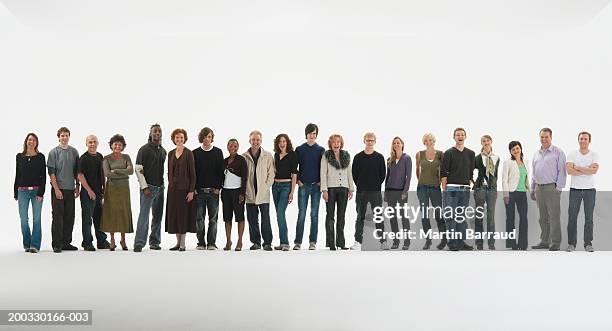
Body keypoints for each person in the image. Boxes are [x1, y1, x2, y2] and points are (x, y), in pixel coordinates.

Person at [530, 128, 566, 251]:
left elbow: (562, 171)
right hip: (539, 189)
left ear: (551, 137)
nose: (544, 139)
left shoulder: (558, 152)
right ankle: (545, 241)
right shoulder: (536, 153)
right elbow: (534, 173)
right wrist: (532, 188)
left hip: (552, 188)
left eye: (546, 137)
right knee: (542, 217)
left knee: (554, 216)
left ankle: (555, 242)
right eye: (542, 137)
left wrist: (559, 188)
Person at [133, 124, 167, 252]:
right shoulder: (144, 150)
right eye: (155, 131)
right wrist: (144, 187)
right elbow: (138, 169)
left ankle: (154, 242)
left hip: (160, 187)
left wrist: (162, 186)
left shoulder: (163, 151)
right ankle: (139, 243)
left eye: (159, 131)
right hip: (148, 188)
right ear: (150, 134)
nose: (157, 133)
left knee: (157, 216)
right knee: (144, 216)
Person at [441, 128, 475, 251]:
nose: (460, 136)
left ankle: (461, 242)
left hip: (465, 189)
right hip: (451, 188)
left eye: (462, 134)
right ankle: (452, 242)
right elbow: (443, 173)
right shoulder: (449, 153)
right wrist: (444, 190)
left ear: (465, 137)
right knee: (451, 215)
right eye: (457, 134)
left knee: (461, 216)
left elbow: (470, 172)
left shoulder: (471, 153)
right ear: (454, 137)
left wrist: (472, 184)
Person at [351, 132, 386, 250]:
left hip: (375, 192)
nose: (369, 142)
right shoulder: (358, 157)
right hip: (361, 192)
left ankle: (383, 241)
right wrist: (361, 185)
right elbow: (354, 175)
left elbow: (382, 175)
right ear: (364, 141)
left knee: (378, 216)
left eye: (372, 140)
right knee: (360, 216)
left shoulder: (379, 157)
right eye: (367, 140)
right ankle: (358, 242)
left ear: (375, 142)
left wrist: (375, 185)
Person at [47, 127, 80, 253]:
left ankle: (66, 243)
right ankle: (57, 244)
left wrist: (77, 187)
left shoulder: (74, 152)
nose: (64, 138)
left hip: (70, 189)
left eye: (66, 135)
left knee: (69, 217)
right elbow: (51, 173)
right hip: (58, 189)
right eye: (62, 136)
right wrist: (56, 189)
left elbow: (77, 172)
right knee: (57, 217)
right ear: (58, 137)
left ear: (69, 137)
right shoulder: (53, 152)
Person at [294, 123, 325, 250]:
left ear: (316, 135)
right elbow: (294, 167)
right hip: (303, 185)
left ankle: (313, 241)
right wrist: (298, 181)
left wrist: (321, 182)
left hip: (316, 186)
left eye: (314, 133)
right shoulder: (300, 149)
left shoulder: (321, 150)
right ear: (306, 134)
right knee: (301, 214)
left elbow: (324, 168)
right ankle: (298, 242)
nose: (312, 136)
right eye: (310, 133)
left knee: (314, 215)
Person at [566, 131, 598, 252]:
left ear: (589, 141)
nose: (583, 141)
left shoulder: (594, 155)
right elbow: (569, 171)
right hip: (575, 190)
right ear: (578, 140)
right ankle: (571, 244)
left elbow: (594, 171)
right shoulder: (572, 154)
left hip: (590, 190)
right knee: (572, 217)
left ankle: (588, 244)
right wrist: (587, 169)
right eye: (581, 139)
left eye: (585, 139)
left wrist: (578, 167)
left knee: (589, 218)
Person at [242, 130, 275, 251]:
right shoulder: (244, 157)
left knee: (265, 219)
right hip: (250, 192)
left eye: (257, 140)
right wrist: (245, 190)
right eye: (253, 140)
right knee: (252, 219)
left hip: (263, 193)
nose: (255, 142)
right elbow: (242, 176)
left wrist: (266, 187)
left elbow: (271, 174)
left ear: (261, 141)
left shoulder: (267, 155)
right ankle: (256, 242)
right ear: (249, 141)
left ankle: (267, 242)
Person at [100, 134, 134, 251]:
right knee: (112, 213)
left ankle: (123, 240)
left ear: (123, 146)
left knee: (123, 212)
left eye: (120, 144)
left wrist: (117, 170)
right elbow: (107, 174)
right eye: (115, 144)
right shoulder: (106, 158)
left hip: (124, 189)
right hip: (111, 189)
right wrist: (122, 173)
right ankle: (112, 239)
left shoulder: (126, 157)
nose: (117, 146)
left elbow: (131, 171)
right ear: (111, 145)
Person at [165, 129, 197, 251]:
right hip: (173, 189)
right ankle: (177, 242)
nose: (179, 139)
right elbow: (169, 171)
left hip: (185, 189)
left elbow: (193, 174)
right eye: (177, 137)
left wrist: (191, 191)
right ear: (174, 139)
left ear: (184, 139)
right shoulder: (170, 153)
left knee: (183, 215)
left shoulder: (189, 153)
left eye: (181, 137)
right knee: (174, 215)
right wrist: (170, 183)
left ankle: (183, 243)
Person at [320, 134, 354, 250]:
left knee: (341, 216)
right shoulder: (326, 155)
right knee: (330, 216)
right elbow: (323, 173)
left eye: (338, 142)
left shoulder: (346, 155)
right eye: (334, 142)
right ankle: (331, 243)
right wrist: (324, 190)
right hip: (331, 188)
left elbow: (349, 172)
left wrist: (351, 188)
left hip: (344, 188)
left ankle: (341, 242)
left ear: (341, 143)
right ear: (330, 144)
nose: (336, 144)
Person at [193, 127, 225, 250]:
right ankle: (200, 243)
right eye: (205, 136)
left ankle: (211, 243)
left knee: (213, 219)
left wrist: (218, 187)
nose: (207, 139)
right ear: (202, 137)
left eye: (209, 137)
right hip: (199, 192)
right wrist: (194, 188)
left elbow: (220, 172)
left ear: (212, 138)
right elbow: (193, 172)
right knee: (199, 218)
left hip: (213, 192)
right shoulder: (195, 153)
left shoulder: (218, 152)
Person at [77, 135, 110, 251]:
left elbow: (103, 174)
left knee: (99, 218)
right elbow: (80, 175)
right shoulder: (83, 158)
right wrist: (89, 191)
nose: (92, 144)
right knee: (87, 219)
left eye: (94, 142)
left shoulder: (100, 156)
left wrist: (104, 190)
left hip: (99, 193)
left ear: (98, 143)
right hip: (87, 194)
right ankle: (87, 243)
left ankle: (101, 241)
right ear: (86, 144)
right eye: (90, 142)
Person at [14, 133, 46, 253]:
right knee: (23, 219)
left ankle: (35, 245)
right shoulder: (19, 156)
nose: (31, 142)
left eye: (33, 140)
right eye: (29, 139)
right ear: (26, 142)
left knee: (36, 219)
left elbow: (43, 176)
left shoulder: (40, 157)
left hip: (36, 191)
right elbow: (17, 174)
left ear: (36, 143)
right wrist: (15, 192)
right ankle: (27, 244)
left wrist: (41, 193)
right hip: (22, 191)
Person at [416, 133, 446, 250]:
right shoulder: (419, 154)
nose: (429, 142)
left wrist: (440, 184)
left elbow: (443, 172)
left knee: (438, 213)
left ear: (434, 141)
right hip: (422, 188)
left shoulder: (440, 154)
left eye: (431, 140)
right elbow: (417, 171)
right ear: (424, 142)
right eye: (426, 140)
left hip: (435, 188)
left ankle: (444, 239)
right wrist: (422, 181)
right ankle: (428, 241)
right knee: (424, 215)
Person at [384, 137, 412, 250]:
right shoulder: (389, 159)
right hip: (390, 191)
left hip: (401, 192)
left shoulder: (407, 158)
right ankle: (396, 241)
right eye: (394, 143)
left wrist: (405, 191)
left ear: (402, 144)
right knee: (393, 217)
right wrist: (386, 191)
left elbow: (408, 176)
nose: (396, 144)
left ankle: (407, 241)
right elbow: (387, 177)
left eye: (398, 143)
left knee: (404, 216)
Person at [501, 141, 529, 250]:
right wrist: (505, 195)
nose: (516, 151)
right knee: (510, 218)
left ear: (520, 148)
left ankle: (523, 244)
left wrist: (530, 190)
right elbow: (504, 180)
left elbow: (527, 177)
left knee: (523, 219)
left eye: (517, 148)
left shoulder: (526, 161)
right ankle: (511, 244)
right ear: (510, 152)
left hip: (522, 193)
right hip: (511, 194)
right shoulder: (508, 162)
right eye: (513, 150)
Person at [473, 135, 499, 250]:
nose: (486, 142)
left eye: (488, 140)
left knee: (491, 217)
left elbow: (496, 174)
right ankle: (479, 243)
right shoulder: (477, 157)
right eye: (483, 141)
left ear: (491, 142)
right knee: (479, 216)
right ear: (481, 143)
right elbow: (470, 171)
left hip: (492, 189)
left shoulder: (496, 157)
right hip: (480, 189)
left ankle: (491, 243)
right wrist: (474, 182)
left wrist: (494, 185)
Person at [272, 134, 297, 251]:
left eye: (284, 141)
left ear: (287, 142)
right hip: (275, 186)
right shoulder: (276, 155)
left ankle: (286, 243)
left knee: (280, 213)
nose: (282, 143)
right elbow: (275, 170)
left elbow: (294, 175)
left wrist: (292, 192)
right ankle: (282, 242)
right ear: (277, 144)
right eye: (280, 142)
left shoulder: (292, 155)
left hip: (286, 186)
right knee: (278, 215)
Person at [221, 139, 248, 251]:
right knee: (227, 218)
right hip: (226, 192)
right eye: (231, 145)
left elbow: (245, 177)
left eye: (235, 145)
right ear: (227, 147)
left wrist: (242, 193)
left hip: (237, 192)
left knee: (240, 217)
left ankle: (240, 241)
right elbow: (221, 176)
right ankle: (228, 241)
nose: (233, 147)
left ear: (238, 147)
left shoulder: (241, 160)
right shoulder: (224, 161)